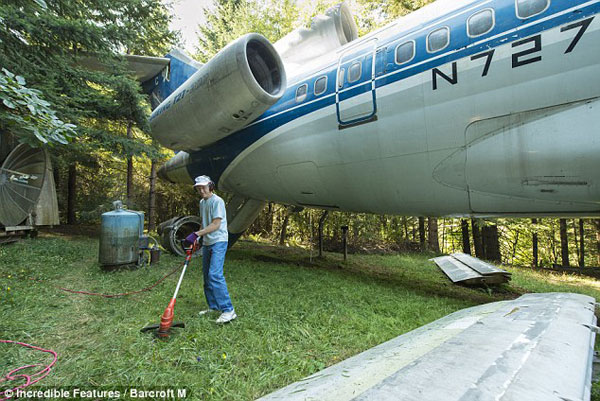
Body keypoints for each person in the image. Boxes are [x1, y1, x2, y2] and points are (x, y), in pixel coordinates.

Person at [190, 175, 236, 324]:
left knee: (215, 274)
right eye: (198, 188)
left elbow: (216, 224)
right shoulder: (202, 202)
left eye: (203, 187)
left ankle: (228, 310)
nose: (201, 190)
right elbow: (204, 223)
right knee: (206, 276)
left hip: (219, 241)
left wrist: (197, 234)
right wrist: (198, 238)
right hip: (208, 242)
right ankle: (214, 306)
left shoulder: (217, 201)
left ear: (210, 186)